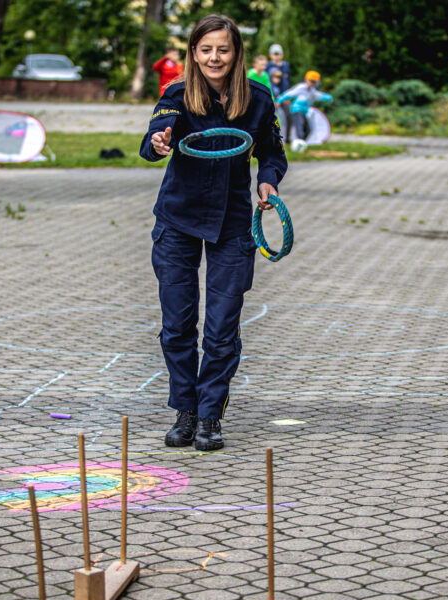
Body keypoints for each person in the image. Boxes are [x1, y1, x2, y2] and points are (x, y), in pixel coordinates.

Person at [140, 15, 287, 451]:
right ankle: (185, 411)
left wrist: (268, 181)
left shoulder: (258, 99)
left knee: (222, 327)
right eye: (205, 50)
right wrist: (161, 142)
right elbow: (152, 141)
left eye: (222, 49)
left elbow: (273, 153)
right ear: (193, 53)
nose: (214, 58)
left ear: (236, 53)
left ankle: (210, 415)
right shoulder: (176, 95)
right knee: (177, 324)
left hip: (231, 222)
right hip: (179, 219)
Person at [275, 70, 332, 150]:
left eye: (314, 82)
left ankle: (301, 143)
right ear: (306, 80)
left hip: (305, 112)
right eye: (311, 81)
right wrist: (279, 100)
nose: (312, 84)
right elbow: (289, 94)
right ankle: (298, 146)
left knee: (307, 129)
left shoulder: (312, 91)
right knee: (300, 127)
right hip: (296, 110)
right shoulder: (301, 88)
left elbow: (319, 96)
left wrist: (329, 98)